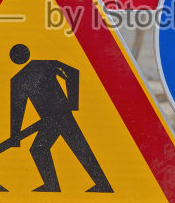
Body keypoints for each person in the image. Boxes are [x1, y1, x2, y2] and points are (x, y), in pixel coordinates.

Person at [7, 44, 113, 193]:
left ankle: (101, 185)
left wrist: (71, 103)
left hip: (61, 116)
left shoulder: (25, 76)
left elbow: (73, 72)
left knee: (77, 147)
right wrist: (15, 136)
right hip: (50, 120)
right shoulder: (41, 66)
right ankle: (53, 186)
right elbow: (18, 109)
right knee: (43, 149)